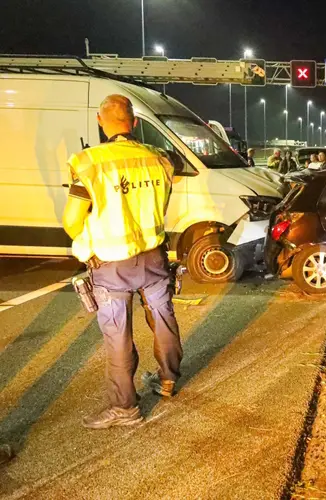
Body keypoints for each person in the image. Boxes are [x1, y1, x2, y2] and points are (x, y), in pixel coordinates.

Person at [62, 94, 182, 429]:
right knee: (163, 317)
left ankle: (125, 408)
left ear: (101, 122)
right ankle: (168, 380)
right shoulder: (160, 160)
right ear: (135, 124)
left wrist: (86, 246)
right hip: (154, 256)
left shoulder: (89, 163)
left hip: (112, 264)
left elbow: (72, 220)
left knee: (117, 334)